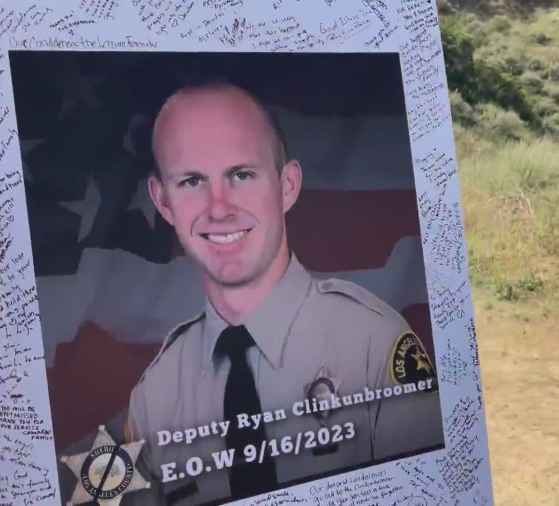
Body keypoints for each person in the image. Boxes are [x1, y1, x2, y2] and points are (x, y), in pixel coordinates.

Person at [123, 80, 444, 506]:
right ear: (162, 202)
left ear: (288, 185)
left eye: (242, 174)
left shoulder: (372, 344)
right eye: (192, 181)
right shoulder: (155, 395)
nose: (218, 207)